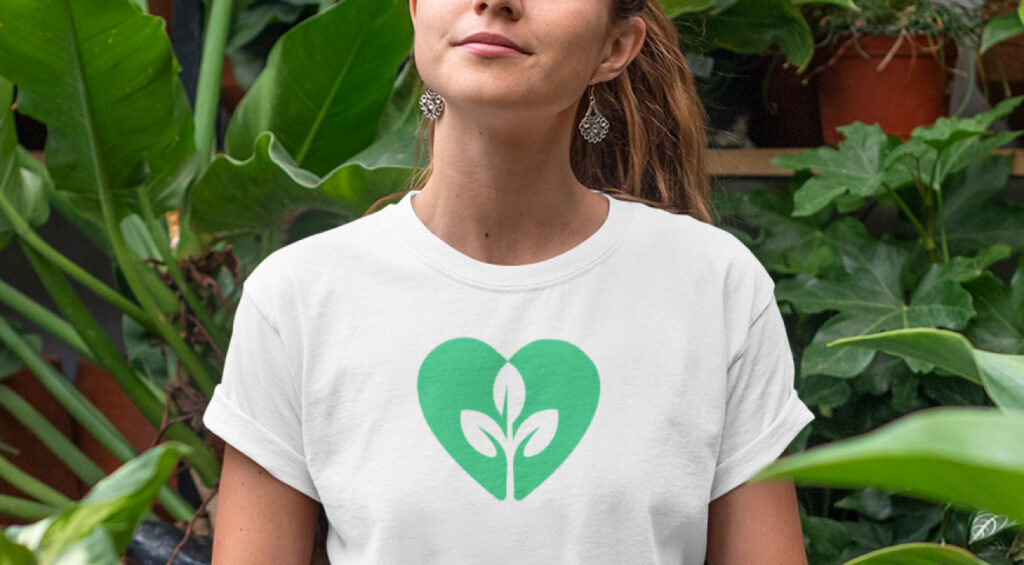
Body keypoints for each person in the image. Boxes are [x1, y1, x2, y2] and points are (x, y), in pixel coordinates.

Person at [202, 0, 817, 563]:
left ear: (617, 47)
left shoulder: (713, 287)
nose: (497, 1)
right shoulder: (300, 297)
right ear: (417, 10)